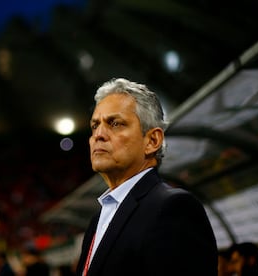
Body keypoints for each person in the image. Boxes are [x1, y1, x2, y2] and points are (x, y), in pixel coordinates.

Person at [76, 78, 218, 276]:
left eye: (115, 123)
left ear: (152, 140)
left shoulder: (173, 208)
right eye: (94, 125)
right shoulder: (97, 220)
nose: (98, 135)